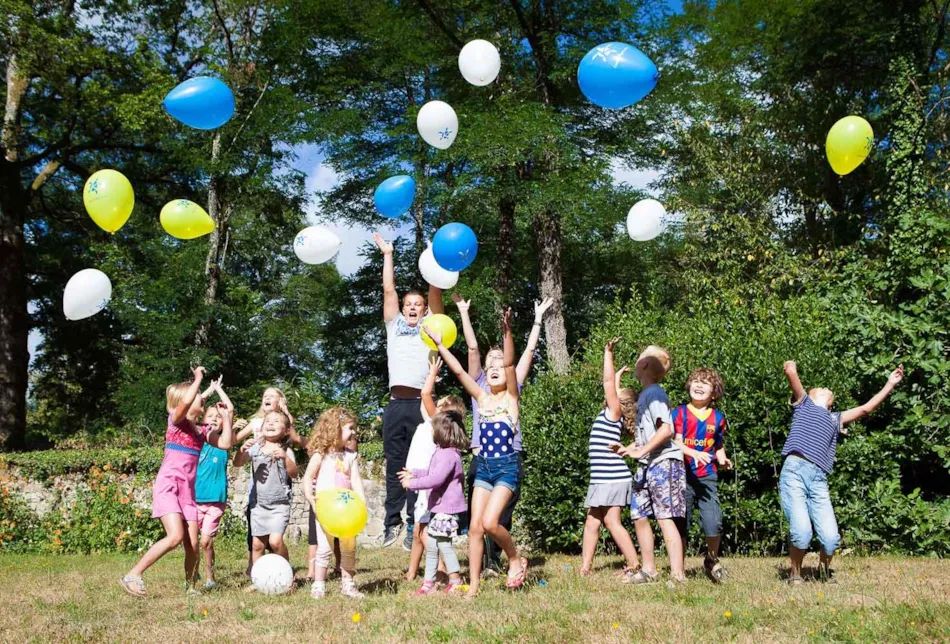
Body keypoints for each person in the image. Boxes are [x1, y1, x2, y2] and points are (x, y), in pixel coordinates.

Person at [424, 309, 527, 598]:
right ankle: (474, 587)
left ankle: (515, 558)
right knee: (474, 530)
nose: (494, 369)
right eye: (489, 368)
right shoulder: (481, 399)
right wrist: (441, 345)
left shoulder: (510, 399)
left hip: (506, 468)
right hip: (483, 468)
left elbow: (508, 362)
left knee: (491, 523)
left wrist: (507, 331)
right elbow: (458, 371)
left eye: (499, 368)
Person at [454, 293, 553, 574]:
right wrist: (463, 312)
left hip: (509, 456)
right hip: (480, 457)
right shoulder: (478, 384)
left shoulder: (512, 383)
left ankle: (497, 561)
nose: (497, 362)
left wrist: (537, 320)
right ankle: (482, 564)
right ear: (485, 367)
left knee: (501, 514)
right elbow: (472, 348)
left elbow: (527, 354)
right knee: (477, 517)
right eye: (492, 359)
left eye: (500, 358)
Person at [780, 361, 904, 585]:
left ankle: (824, 572)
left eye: (829, 391)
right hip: (794, 472)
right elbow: (791, 374)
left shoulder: (835, 418)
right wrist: (791, 368)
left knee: (830, 539)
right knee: (802, 532)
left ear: (830, 405)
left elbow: (866, 408)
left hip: (818, 479)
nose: (826, 388)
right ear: (810, 396)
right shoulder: (804, 405)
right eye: (821, 388)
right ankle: (795, 575)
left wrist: (890, 384)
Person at [120, 367, 234, 597]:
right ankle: (133, 574)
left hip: (187, 493)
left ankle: (190, 586)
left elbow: (225, 444)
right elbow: (187, 404)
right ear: (182, 402)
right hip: (169, 487)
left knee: (193, 545)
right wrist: (199, 380)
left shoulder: (201, 432)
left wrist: (227, 417)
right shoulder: (176, 421)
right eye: (196, 398)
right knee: (175, 536)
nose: (201, 401)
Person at [374, 232, 444, 550]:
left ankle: (416, 521)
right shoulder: (394, 325)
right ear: (403, 309)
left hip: (421, 403)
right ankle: (392, 524)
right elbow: (389, 289)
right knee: (395, 464)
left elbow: (435, 294)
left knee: (418, 465)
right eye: (409, 305)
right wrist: (388, 253)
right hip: (395, 405)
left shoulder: (432, 326)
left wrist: (432, 258)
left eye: (418, 305)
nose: (414, 307)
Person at [612, 345, 687, 586]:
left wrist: (642, 450)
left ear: (644, 365)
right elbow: (648, 435)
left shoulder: (654, 394)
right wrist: (632, 449)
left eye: (638, 359)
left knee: (665, 517)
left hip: (664, 463)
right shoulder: (646, 395)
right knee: (639, 515)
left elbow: (666, 429)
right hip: (648, 463)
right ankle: (649, 570)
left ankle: (678, 574)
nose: (635, 363)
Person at [579, 338, 641, 580]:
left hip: (612, 478)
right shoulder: (611, 412)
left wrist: (608, 353)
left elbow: (607, 385)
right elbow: (611, 386)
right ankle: (585, 567)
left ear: (619, 402)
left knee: (611, 521)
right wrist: (618, 374)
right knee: (592, 522)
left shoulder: (613, 413)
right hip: (601, 478)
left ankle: (635, 563)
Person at [404, 356, 467, 581]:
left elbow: (424, 394)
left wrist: (431, 375)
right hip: (419, 477)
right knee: (418, 528)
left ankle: (440, 571)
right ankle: (415, 572)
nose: (436, 404)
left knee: (425, 530)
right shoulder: (432, 423)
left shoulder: (436, 421)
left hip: (425, 482)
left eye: (441, 404)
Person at [234, 386, 306, 575]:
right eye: (268, 421)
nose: (271, 423)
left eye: (276, 422)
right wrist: (240, 451)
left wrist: (285, 458)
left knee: (274, 542)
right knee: (257, 545)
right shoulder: (255, 447)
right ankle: (258, 579)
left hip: (279, 504)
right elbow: (238, 464)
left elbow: (293, 474)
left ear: (285, 432)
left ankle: (286, 573)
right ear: (261, 426)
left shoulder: (285, 451)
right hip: (258, 504)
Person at [400, 408, 470, 595]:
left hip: (445, 510)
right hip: (439, 508)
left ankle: (455, 580)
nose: (431, 430)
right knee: (432, 546)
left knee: (443, 545)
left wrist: (412, 483)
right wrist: (414, 473)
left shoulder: (448, 455)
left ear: (443, 431)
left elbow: (436, 479)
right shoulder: (442, 452)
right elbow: (432, 473)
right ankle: (429, 582)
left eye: (434, 427)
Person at [672, 367, 731, 583]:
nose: (698, 385)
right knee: (681, 525)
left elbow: (718, 445)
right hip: (682, 476)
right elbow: (676, 443)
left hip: (707, 477)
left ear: (714, 392)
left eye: (704, 383)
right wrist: (694, 453)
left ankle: (712, 560)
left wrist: (723, 459)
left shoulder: (718, 418)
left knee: (713, 522)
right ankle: (679, 569)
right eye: (695, 381)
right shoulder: (678, 413)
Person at [303, 407, 366, 599]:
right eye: (350, 428)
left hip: (347, 512)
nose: (353, 432)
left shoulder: (350, 456)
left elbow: (355, 480)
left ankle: (348, 584)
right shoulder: (320, 455)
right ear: (335, 429)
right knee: (324, 548)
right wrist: (310, 497)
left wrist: (362, 504)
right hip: (325, 510)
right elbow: (307, 477)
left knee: (349, 549)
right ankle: (319, 584)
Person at [194, 376, 236, 591]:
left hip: (215, 501)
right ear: (203, 419)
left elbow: (229, 409)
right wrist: (207, 390)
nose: (214, 419)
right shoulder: (198, 438)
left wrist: (219, 390)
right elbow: (191, 406)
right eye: (210, 416)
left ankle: (210, 577)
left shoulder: (223, 442)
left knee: (205, 542)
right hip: (194, 500)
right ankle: (193, 572)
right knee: (192, 543)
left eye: (217, 417)